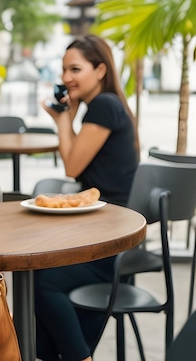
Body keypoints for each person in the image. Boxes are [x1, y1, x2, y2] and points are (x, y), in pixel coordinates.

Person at [34, 34, 140, 361]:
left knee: (43, 282)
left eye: (75, 69)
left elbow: (71, 166)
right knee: (43, 336)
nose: (66, 77)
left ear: (100, 71)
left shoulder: (105, 106)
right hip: (103, 233)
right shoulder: (102, 107)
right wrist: (67, 119)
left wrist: (64, 120)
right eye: (64, 69)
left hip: (110, 243)